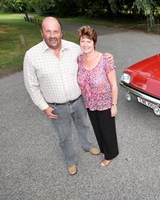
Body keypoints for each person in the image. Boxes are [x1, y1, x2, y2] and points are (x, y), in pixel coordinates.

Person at [23, 17, 114, 175]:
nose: (52, 35)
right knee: (64, 136)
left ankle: (87, 145)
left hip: (79, 101)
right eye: (48, 31)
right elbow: (31, 85)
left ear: (61, 32)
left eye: (55, 31)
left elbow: (91, 55)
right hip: (56, 107)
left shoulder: (74, 49)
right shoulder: (31, 56)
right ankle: (71, 160)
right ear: (42, 32)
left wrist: (107, 56)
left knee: (84, 126)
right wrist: (43, 106)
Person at [77, 25, 119, 167]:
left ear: (94, 42)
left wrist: (114, 105)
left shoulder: (105, 60)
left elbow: (114, 85)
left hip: (105, 103)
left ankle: (110, 154)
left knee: (107, 130)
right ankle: (104, 150)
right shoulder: (79, 60)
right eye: (83, 41)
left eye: (89, 41)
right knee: (97, 129)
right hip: (90, 103)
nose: (85, 44)